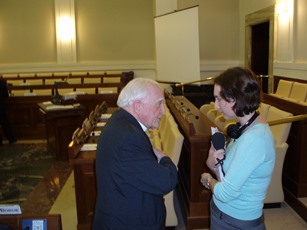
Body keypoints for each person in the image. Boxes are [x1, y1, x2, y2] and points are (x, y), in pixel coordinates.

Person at [92, 78, 178, 230]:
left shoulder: (120, 122)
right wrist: (164, 158)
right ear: (138, 106)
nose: (163, 111)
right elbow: (166, 181)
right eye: (159, 103)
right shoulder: (129, 137)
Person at [200, 67, 275, 230]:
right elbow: (228, 174)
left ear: (235, 98)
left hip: (236, 221)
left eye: (219, 99)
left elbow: (226, 193)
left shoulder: (255, 138)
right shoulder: (244, 129)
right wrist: (212, 161)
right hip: (225, 215)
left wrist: (207, 179)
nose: (215, 105)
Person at [0, 78, 16, 145]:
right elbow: (6, 95)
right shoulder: (2, 82)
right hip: (1, 106)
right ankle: (11, 139)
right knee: (5, 123)